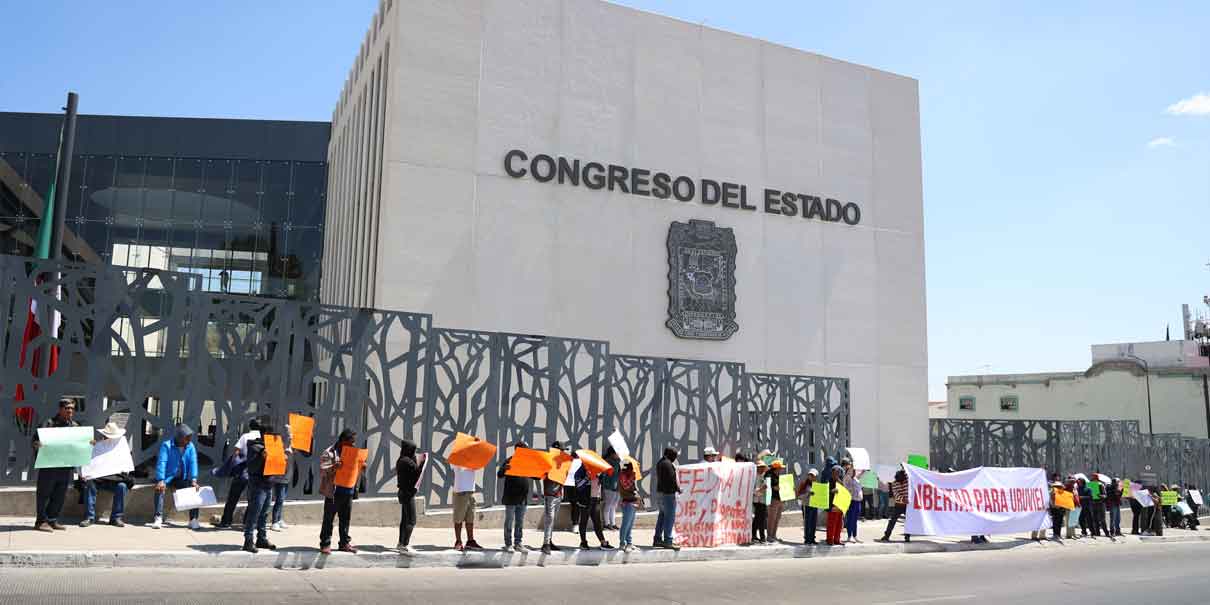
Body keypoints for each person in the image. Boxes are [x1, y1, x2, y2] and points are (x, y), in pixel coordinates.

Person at [32, 399, 86, 532]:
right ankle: (41, 522)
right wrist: (38, 445)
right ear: (60, 409)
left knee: (59, 495)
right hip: (49, 466)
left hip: (65, 466)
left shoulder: (75, 426)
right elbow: (35, 441)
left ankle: (52, 520)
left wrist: (89, 443)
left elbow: (80, 444)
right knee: (44, 494)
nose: (70, 411)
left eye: (72, 408)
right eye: (67, 408)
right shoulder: (48, 424)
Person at [319, 428, 363, 554]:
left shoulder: (353, 452)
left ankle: (344, 543)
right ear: (343, 441)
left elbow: (354, 470)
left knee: (345, 519)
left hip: (348, 491)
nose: (353, 445)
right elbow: (323, 471)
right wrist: (334, 467)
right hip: (334, 492)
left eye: (354, 442)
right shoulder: (329, 452)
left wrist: (361, 466)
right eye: (351, 442)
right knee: (329, 519)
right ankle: (325, 544)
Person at [81, 422, 132, 528]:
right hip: (98, 479)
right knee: (89, 484)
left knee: (122, 486)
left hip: (114, 479)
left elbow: (126, 465)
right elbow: (87, 463)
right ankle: (89, 517)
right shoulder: (97, 446)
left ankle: (116, 517)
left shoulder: (121, 447)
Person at [151, 424, 200, 530]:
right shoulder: (167, 445)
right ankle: (158, 517)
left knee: (194, 489)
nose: (189, 440)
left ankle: (193, 519)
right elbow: (162, 463)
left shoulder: (190, 446)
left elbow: (193, 462)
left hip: (183, 477)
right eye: (187, 437)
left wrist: (194, 479)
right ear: (180, 437)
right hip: (168, 477)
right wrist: (160, 480)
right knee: (159, 489)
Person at [240, 417, 277, 553]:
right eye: (270, 434)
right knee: (254, 513)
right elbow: (252, 466)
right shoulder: (255, 446)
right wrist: (262, 455)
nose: (273, 436)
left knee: (264, 513)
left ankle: (261, 538)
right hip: (258, 485)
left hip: (268, 484)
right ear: (264, 434)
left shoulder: (272, 446)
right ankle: (248, 540)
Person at [217, 419, 259, 529]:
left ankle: (226, 521)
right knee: (252, 499)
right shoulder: (263, 437)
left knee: (233, 497)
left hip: (242, 472)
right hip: (255, 474)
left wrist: (232, 467)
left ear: (250, 427)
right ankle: (247, 523)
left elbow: (236, 452)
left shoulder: (245, 436)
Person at [498, 441, 532, 552]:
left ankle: (518, 543)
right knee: (509, 521)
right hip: (511, 498)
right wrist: (505, 469)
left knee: (519, 522)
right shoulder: (509, 460)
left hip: (523, 499)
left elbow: (535, 476)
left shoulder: (527, 462)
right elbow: (499, 474)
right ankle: (508, 544)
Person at [576, 464, 613, 550]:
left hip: (596, 500)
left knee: (597, 522)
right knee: (583, 521)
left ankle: (603, 542)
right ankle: (583, 542)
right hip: (585, 500)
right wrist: (587, 477)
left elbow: (599, 485)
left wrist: (601, 475)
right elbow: (578, 486)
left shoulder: (597, 471)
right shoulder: (580, 471)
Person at [396, 438, 421, 554]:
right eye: (413, 450)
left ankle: (401, 543)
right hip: (407, 494)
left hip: (404, 493)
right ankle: (404, 544)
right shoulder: (406, 461)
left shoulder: (402, 459)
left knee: (405, 520)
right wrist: (423, 462)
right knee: (411, 520)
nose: (414, 452)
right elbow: (417, 470)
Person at [540, 441, 566, 554]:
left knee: (553, 519)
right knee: (549, 519)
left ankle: (549, 541)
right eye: (562, 450)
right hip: (550, 494)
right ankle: (545, 544)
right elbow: (541, 475)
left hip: (558, 494)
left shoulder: (563, 462)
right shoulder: (548, 461)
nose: (563, 452)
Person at [653, 446, 681, 550]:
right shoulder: (668, 464)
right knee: (669, 518)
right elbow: (671, 480)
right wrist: (678, 489)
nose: (675, 458)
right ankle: (668, 540)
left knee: (662, 516)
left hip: (660, 492)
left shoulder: (660, 462)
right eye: (675, 456)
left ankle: (657, 539)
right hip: (668, 494)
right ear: (670, 455)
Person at [451, 463, 482, 551]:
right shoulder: (456, 459)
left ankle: (470, 541)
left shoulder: (473, 460)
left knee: (470, 519)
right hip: (460, 492)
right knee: (458, 519)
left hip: (471, 491)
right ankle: (458, 541)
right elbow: (453, 467)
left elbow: (478, 466)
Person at [268, 424, 293, 532]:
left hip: (287, 475)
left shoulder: (290, 446)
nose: (290, 435)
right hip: (279, 476)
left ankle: (279, 518)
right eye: (288, 432)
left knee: (282, 499)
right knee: (279, 499)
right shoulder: (277, 445)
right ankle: (274, 521)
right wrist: (285, 453)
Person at [878, 468, 910, 542]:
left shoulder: (907, 480)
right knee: (892, 521)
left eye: (902, 481)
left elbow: (908, 473)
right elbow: (896, 494)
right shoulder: (894, 483)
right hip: (898, 504)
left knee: (908, 521)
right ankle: (887, 535)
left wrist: (904, 467)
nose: (901, 483)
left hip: (907, 505)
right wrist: (903, 499)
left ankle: (907, 536)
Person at [618, 458, 641, 552]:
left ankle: (629, 542)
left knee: (630, 524)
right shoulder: (623, 475)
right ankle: (622, 543)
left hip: (633, 501)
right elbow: (626, 486)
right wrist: (632, 476)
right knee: (625, 524)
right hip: (627, 502)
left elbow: (632, 488)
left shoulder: (630, 475)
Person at [796, 468, 818, 544]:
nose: (811, 477)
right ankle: (807, 539)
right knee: (807, 523)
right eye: (810, 475)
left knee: (814, 523)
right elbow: (798, 496)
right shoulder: (804, 484)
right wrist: (807, 494)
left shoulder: (817, 485)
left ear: (816, 477)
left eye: (813, 475)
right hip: (806, 505)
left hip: (815, 506)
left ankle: (812, 538)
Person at [601, 447, 621, 530]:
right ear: (612, 454)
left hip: (617, 487)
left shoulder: (617, 462)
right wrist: (610, 484)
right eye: (617, 453)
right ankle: (606, 523)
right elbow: (605, 476)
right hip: (609, 487)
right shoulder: (607, 462)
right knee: (608, 505)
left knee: (614, 505)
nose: (618, 454)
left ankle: (613, 523)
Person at [842, 460, 863, 543]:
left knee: (855, 520)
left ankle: (855, 536)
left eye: (854, 471)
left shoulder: (856, 479)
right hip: (851, 501)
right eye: (852, 470)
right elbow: (846, 486)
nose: (854, 472)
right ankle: (849, 536)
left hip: (858, 502)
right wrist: (851, 465)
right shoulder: (847, 478)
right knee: (850, 519)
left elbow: (859, 487)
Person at [766, 460, 786, 542]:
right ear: (776, 468)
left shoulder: (777, 476)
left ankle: (773, 535)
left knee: (777, 518)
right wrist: (783, 486)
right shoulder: (770, 475)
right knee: (772, 518)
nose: (781, 470)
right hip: (773, 499)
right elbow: (774, 487)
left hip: (780, 499)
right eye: (780, 468)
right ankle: (769, 536)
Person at [826, 466, 845, 546]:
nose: (836, 475)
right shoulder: (829, 482)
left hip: (839, 505)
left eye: (837, 473)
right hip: (832, 506)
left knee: (839, 524)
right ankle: (830, 540)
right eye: (834, 473)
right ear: (832, 474)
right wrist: (832, 491)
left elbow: (843, 490)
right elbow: (825, 493)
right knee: (831, 524)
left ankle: (837, 539)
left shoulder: (840, 481)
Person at [752, 460, 769, 544]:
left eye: (763, 467)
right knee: (759, 519)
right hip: (757, 501)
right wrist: (762, 489)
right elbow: (753, 491)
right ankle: (760, 536)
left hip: (763, 500)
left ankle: (758, 536)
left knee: (760, 519)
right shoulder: (754, 477)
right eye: (760, 467)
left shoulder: (764, 476)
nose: (762, 469)